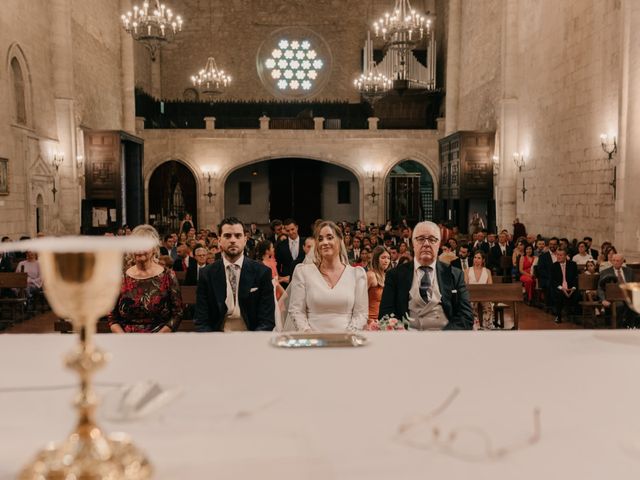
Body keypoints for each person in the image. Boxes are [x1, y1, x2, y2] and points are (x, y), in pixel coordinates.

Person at [379, 221, 474, 330]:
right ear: (413, 244)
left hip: (445, 339)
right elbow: (385, 315)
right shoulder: (395, 275)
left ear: (439, 245)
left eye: (432, 239)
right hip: (408, 340)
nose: (426, 244)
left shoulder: (455, 274)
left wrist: (445, 336)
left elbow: (466, 316)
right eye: (420, 239)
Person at [194, 217, 275, 332]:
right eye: (227, 236)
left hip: (251, 337)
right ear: (219, 240)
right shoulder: (207, 274)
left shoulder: (262, 272)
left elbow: (267, 321)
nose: (233, 240)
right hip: (216, 338)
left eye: (238, 236)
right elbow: (201, 320)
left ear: (245, 240)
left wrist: (253, 345)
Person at [287, 221, 367, 332]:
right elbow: (296, 311)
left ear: (340, 240)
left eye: (329, 238)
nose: (324, 242)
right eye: (320, 239)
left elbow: (361, 313)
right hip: (313, 342)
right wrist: (309, 334)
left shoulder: (356, 274)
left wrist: (346, 337)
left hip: (346, 342)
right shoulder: (303, 272)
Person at [108, 225, 183, 333]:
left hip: (159, 339)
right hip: (126, 339)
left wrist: (156, 339)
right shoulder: (121, 277)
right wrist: (123, 338)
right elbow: (112, 316)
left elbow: (177, 313)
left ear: (154, 248)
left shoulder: (168, 276)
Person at [598, 253, 639, 328]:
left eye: (617, 261)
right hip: (614, 298)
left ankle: (630, 327)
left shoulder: (629, 271)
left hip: (628, 296)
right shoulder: (605, 272)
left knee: (634, 305)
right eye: (613, 260)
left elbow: (634, 285)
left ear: (622, 261)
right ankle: (619, 328)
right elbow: (600, 288)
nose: (615, 262)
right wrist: (603, 300)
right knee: (620, 305)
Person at [464, 251, 494, 330]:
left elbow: (490, 286)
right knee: (471, 305)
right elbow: (465, 285)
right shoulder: (467, 270)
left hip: (484, 295)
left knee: (488, 306)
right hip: (471, 296)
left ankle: (487, 327)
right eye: (475, 257)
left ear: (483, 260)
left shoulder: (487, 271)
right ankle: (475, 327)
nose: (476, 260)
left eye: (479, 258)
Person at [550, 248, 578, 324]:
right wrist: (562, 288)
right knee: (559, 294)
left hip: (570, 287)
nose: (558, 257)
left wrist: (573, 288)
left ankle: (574, 316)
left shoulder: (572, 264)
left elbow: (576, 278)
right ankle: (558, 316)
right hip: (559, 288)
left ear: (565, 256)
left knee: (577, 294)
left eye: (561, 255)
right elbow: (553, 281)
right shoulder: (553, 266)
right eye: (557, 255)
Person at [275, 218, 306, 286]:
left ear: (297, 227)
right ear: (285, 231)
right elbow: (277, 265)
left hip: (304, 280)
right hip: (286, 283)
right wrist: (281, 278)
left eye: (292, 229)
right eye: (288, 230)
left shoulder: (306, 242)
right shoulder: (281, 245)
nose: (291, 232)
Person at [367, 246, 390, 326]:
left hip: (384, 321)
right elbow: (359, 299)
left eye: (388, 258)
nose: (386, 261)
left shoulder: (388, 276)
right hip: (370, 321)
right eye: (383, 257)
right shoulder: (370, 275)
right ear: (376, 259)